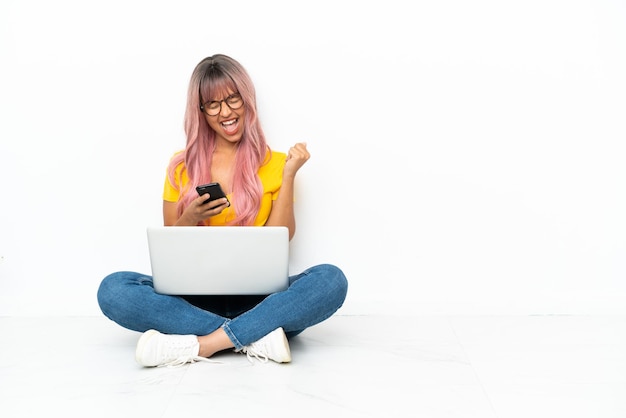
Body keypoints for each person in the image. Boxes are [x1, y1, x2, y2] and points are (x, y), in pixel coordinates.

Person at [97, 54, 348, 367]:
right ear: (200, 111)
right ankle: (254, 336)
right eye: (213, 104)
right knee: (114, 289)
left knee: (331, 280)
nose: (226, 112)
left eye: (233, 99)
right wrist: (191, 217)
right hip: (193, 299)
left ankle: (205, 344)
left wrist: (288, 175)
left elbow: (282, 236)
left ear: (247, 101)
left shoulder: (277, 163)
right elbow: (168, 248)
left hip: (260, 299)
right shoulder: (180, 166)